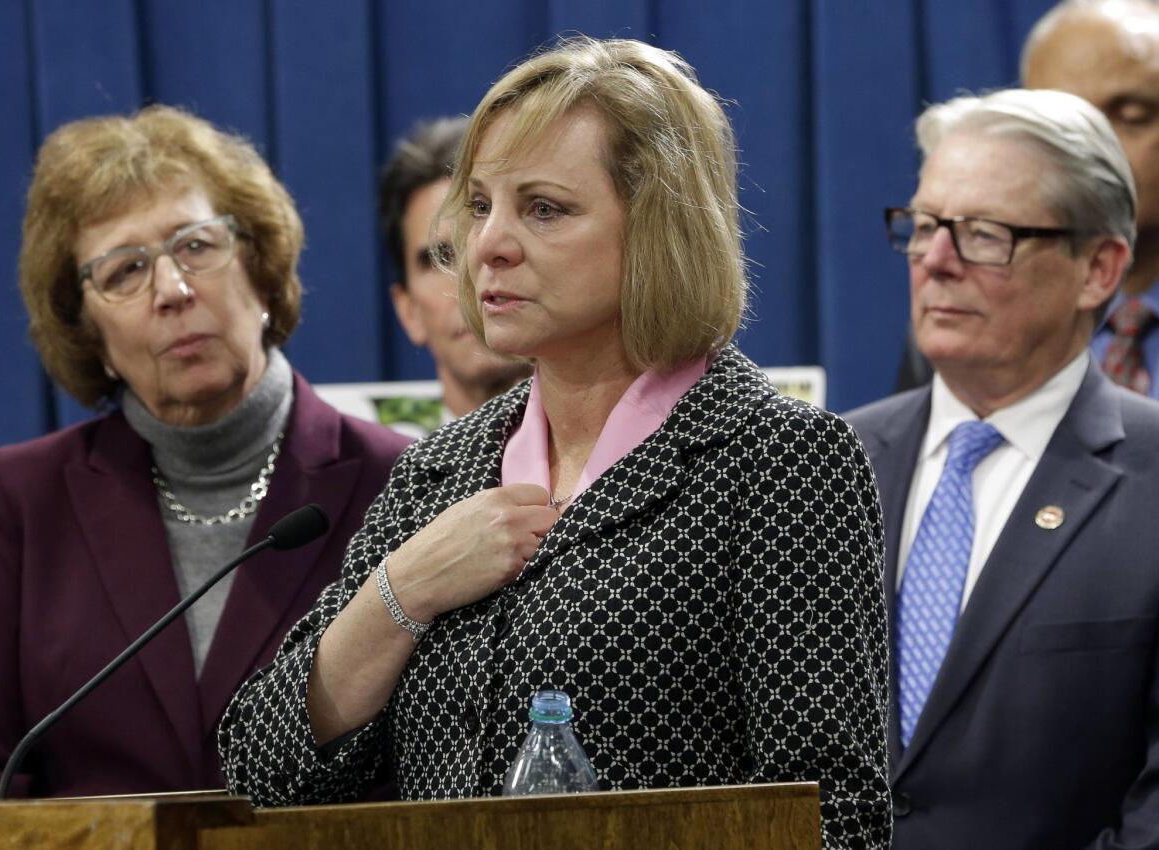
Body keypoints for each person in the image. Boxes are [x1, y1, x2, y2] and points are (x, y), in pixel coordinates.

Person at [219, 37, 891, 850]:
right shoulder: (440, 471)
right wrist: (397, 593)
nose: (489, 245)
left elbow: (836, 821)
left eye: (543, 208)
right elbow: (259, 770)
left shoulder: (777, 461)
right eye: (478, 206)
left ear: (658, 226)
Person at [0, 106, 411, 799]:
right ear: (88, 333)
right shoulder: (19, 500)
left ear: (260, 271)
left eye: (196, 246)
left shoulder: (401, 480)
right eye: (124, 271)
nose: (172, 290)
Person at [848, 88, 1159, 849]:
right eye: (922, 228)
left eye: (984, 235)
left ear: (1097, 268)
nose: (938, 263)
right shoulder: (828, 462)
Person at [896, 0, 1159, 396]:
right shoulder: (966, 321)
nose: (1093, 148)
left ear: (1102, 268)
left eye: (1133, 115)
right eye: (1059, 129)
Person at [380, 117, 530, 419]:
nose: (472, 277)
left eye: (488, 245)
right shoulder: (398, 467)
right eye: (440, 258)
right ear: (407, 311)